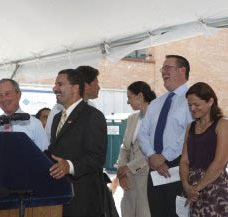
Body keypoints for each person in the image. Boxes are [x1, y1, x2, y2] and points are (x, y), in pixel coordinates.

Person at [138, 55, 193, 217]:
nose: (163, 72)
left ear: (182, 71)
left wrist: (164, 156)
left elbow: (188, 134)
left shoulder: (191, 100)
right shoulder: (156, 103)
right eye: (162, 69)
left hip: (179, 166)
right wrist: (152, 156)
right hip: (154, 167)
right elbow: (143, 134)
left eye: (168, 68)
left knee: (177, 213)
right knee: (157, 212)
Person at [48, 69, 107, 217]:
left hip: (83, 201)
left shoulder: (93, 116)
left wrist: (70, 166)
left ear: (75, 88)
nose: (55, 88)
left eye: (60, 84)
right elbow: (54, 153)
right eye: (55, 84)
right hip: (60, 196)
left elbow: (97, 158)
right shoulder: (56, 118)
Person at [179, 82, 228, 216]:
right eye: (189, 105)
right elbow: (184, 161)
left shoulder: (223, 124)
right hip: (192, 190)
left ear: (210, 101)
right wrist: (186, 186)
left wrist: (195, 189)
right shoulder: (190, 126)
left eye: (196, 104)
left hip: (215, 187)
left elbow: (219, 163)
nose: (192, 108)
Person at [116, 81, 156, 217]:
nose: (128, 102)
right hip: (128, 180)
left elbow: (155, 151)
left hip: (147, 178)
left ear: (140, 96)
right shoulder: (132, 118)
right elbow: (125, 148)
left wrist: (129, 167)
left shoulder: (156, 118)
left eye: (129, 97)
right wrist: (121, 170)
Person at [0, 79, 49, 151]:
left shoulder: (34, 124)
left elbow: (44, 156)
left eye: (7, 94)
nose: (3, 99)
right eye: (0, 95)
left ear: (18, 95)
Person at [45, 65, 100, 142]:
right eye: (96, 84)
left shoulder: (94, 112)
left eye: (60, 84)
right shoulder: (58, 111)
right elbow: (50, 140)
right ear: (86, 86)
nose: (98, 87)